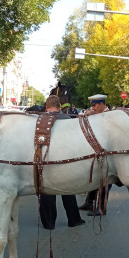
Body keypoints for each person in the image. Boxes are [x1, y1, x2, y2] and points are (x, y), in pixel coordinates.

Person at [39, 95, 85, 230]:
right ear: (59, 106)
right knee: (68, 190)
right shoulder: (68, 119)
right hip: (65, 160)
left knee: (46, 190)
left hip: (46, 159)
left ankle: (49, 223)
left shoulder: (40, 120)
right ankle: (74, 219)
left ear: (47, 107)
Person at [79, 94, 112, 216]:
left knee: (106, 181)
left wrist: (93, 115)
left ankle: (102, 208)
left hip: (108, 153)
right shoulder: (96, 114)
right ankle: (89, 203)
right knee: (94, 179)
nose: (92, 108)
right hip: (96, 152)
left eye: (94, 105)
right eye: (91, 105)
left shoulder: (110, 115)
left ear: (102, 104)